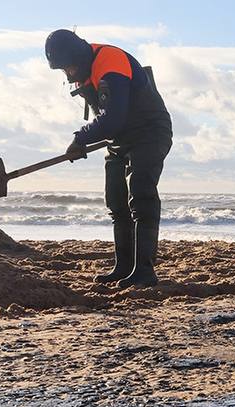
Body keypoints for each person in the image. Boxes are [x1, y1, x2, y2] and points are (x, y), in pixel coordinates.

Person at [45, 29, 173, 288]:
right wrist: (85, 139)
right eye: (63, 70)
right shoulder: (84, 72)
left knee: (141, 195)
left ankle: (144, 272)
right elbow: (107, 119)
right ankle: (123, 267)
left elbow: (113, 118)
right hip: (118, 140)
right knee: (116, 200)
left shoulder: (110, 61)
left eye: (68, 67)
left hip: (149, 133)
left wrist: (81, 138)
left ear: (79, 57)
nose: (68, 74)